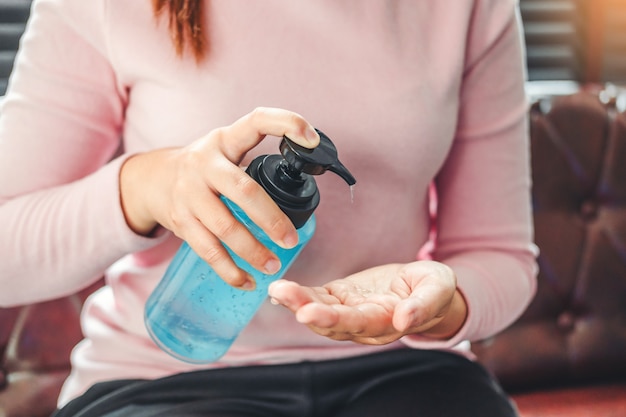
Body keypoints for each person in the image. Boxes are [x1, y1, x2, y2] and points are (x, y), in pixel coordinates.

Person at [0, 0, 538, 416]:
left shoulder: (466, 8)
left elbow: (499, 253)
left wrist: (440, 307)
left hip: (404, 369)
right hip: (161, 377)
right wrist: (141, 187)